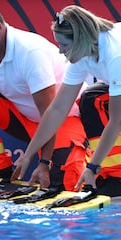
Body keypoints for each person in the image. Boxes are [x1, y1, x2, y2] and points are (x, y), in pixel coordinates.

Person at [0, 1, 89, 191]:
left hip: (63, 119)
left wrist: (44, 163)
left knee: (65, 186)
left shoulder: (30, 52)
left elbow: (51, 113)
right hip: (23, 120)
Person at [13, 5, 121, 197]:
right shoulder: (81, 53)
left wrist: (93, 167)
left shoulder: (115, 55)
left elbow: (116, 122)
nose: (61, 51)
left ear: (79, 40)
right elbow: (56, 109)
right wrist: (29, 154)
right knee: (90, 99)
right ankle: (115, 178)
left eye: (63, 45)